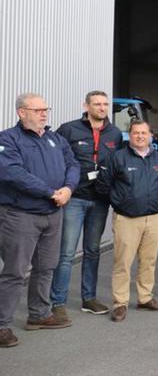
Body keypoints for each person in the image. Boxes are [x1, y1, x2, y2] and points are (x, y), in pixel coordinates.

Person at [0, 93, 79, 348]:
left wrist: (68, 188)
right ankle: (2, 325)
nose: (44, 114)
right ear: (21, 112)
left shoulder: (55, 139)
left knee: (46, 267)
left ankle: (39, 314)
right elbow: (12, 173)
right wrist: (49, 192)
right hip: (20, 215)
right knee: (15, 272)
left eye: (46, 109)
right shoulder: (7, 139)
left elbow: (73, 164)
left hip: (53, 214)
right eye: (38, 110)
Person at [49, 90, 122, 321]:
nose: (102, 108)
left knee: (93, 251)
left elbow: (117, 165)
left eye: (105, 104)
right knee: (67, 252)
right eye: (97, 104)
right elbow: (55, 159)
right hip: (75, 198)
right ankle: (57, 302)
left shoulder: (115, 133)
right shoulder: (68, 129)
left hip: (100, 200)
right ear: (86, 105)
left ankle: (88, 298)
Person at [97, 119, 158, 322]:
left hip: (153, 218)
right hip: (127, 219)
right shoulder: (117, 157)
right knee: (123, 263)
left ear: (150, 135)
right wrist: (121, 202)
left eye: (144, 133)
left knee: (148, 261)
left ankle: (145, 297)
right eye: (136, 133)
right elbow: (104, 185)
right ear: (130, 135)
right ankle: (120, 303)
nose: (140, 136)